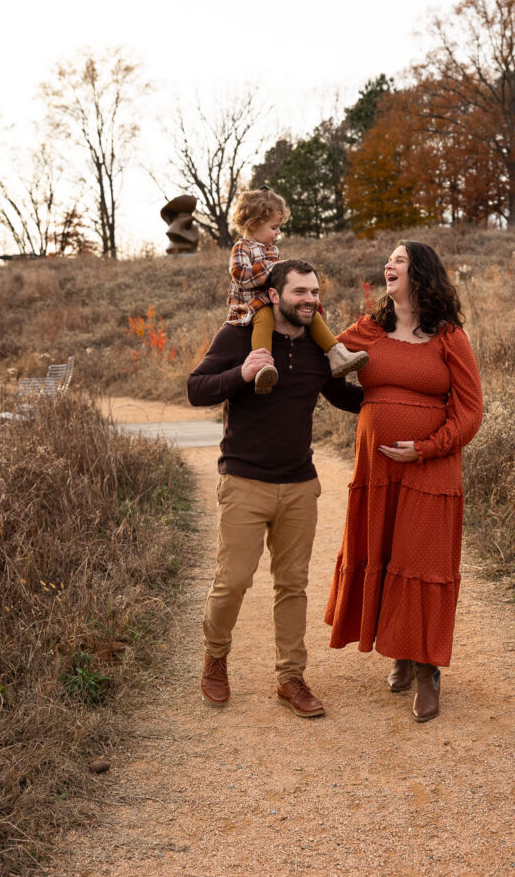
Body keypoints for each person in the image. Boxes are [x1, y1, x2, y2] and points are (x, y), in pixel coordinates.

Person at [187, 259, 364, 718]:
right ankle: (216, 657)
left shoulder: (317, 349)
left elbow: (346, 398)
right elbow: (196, 389)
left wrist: (404, 395)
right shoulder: (239, 337)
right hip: (244, 481)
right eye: (300, 292)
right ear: (274, 296)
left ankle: (290, 678)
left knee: (292, 585)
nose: (310, 300)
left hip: (300, 485)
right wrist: (242, 374)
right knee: (234, 581)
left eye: (315, 292)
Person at [324, 241, 483, 723]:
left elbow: (471, 410)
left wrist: (427, 446)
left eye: (398, 259)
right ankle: (398, 651)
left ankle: (428, 669)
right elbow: (325, 369)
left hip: (431, 468)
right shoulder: (369, 330)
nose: (388, 265)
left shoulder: (448, 336)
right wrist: (372, 410)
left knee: (423, 560)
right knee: (388, 555)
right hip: (378, 470)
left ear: (421, 273)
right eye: (388, 260)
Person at [228, 185, 368, 393]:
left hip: (273, 299)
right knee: (265, 319)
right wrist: (273, 267)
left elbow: (278, 279)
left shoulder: (272, 250)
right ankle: (262, 367)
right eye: (274, 227)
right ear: (253, 224)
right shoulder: (242, 247)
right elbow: (242, 276)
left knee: (312, 313)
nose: (278, 233)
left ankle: (337, 355)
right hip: (252, 305)